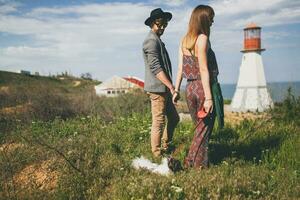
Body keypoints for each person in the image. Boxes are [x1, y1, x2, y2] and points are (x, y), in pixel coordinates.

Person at [173, 5, 219, 168]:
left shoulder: (184, 40)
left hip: (189, 89)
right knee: (203, 129)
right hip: (202, 88)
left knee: (199, 128)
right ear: (203, 19)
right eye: (211, 18)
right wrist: (208, 98)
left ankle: (192, 162)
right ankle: (195, 165)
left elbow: (180, 69)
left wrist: (176, 90)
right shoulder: (202, 39)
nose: (213, 21)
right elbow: (204, 69)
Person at [143, 8, 179, 158]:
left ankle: (166, 144)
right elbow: (156, 68)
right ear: (153, 23)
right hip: (158, 89)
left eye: (165, 25)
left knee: (174, 118)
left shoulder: (157, 40)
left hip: (164, 88)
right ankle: (157, 154)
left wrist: (169, 87)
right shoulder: (151, 41)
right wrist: (171, 86)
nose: (163, 28)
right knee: (158, 121)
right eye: (160, 24)